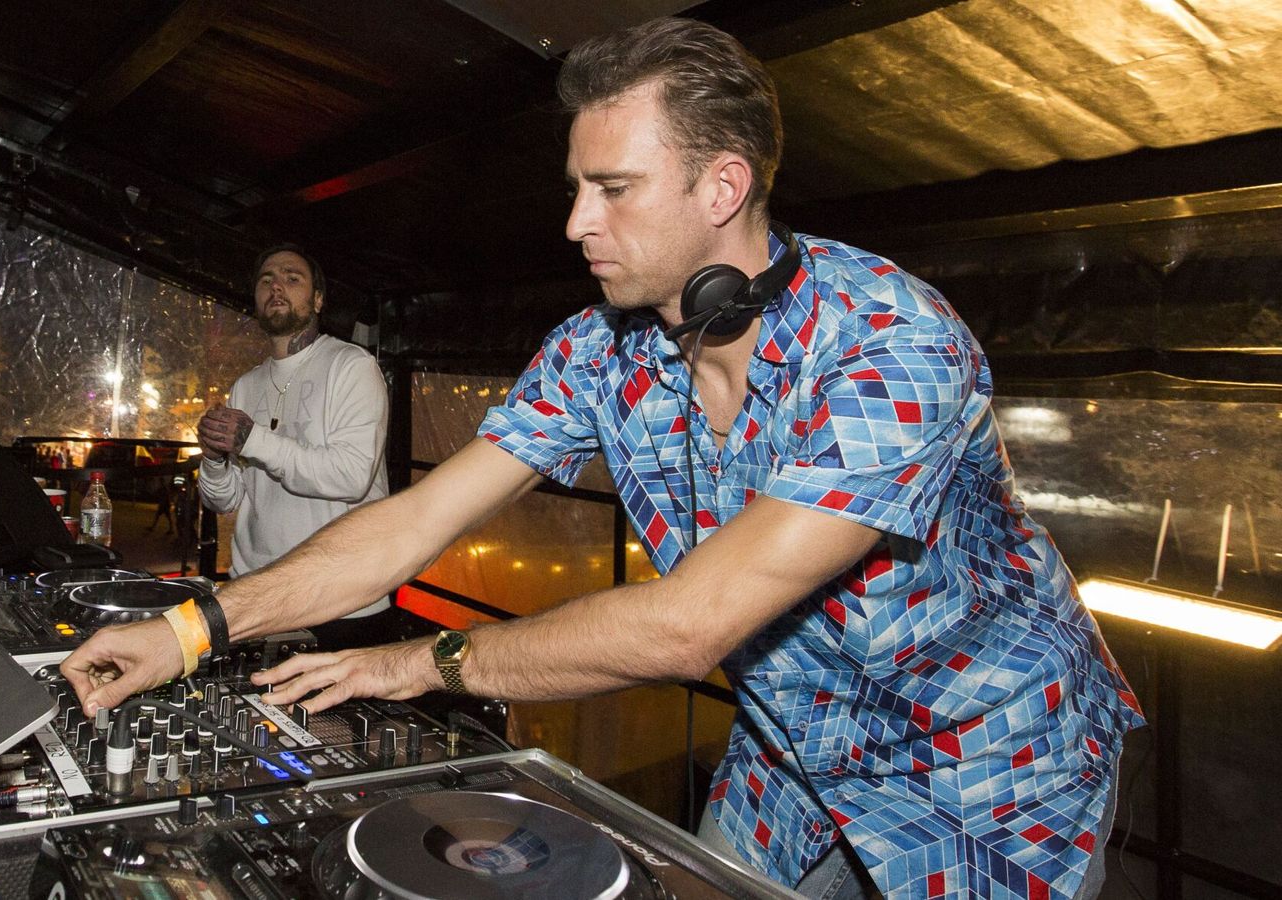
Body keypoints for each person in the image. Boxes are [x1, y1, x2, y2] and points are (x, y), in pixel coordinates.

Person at [63, 18, 1143, 900]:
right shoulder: (595, 350)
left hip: (986, 764)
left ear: (721, 188)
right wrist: (191, 628)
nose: (577, 221)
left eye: (613, 188)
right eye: (576, 185)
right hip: (791, 749)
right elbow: (411, 522)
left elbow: (687, 625)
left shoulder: (891, 345)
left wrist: (416, 664)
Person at [195, 244, 407, 649]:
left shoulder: (351, 366)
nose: (277, 287)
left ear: (318, 299)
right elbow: (225, 501)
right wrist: (214, 459)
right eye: (266, 280)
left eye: (292, 279)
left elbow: (351, 477)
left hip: (341, 601)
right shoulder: (246, 384)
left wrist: (253, 439)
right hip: (258, 593)